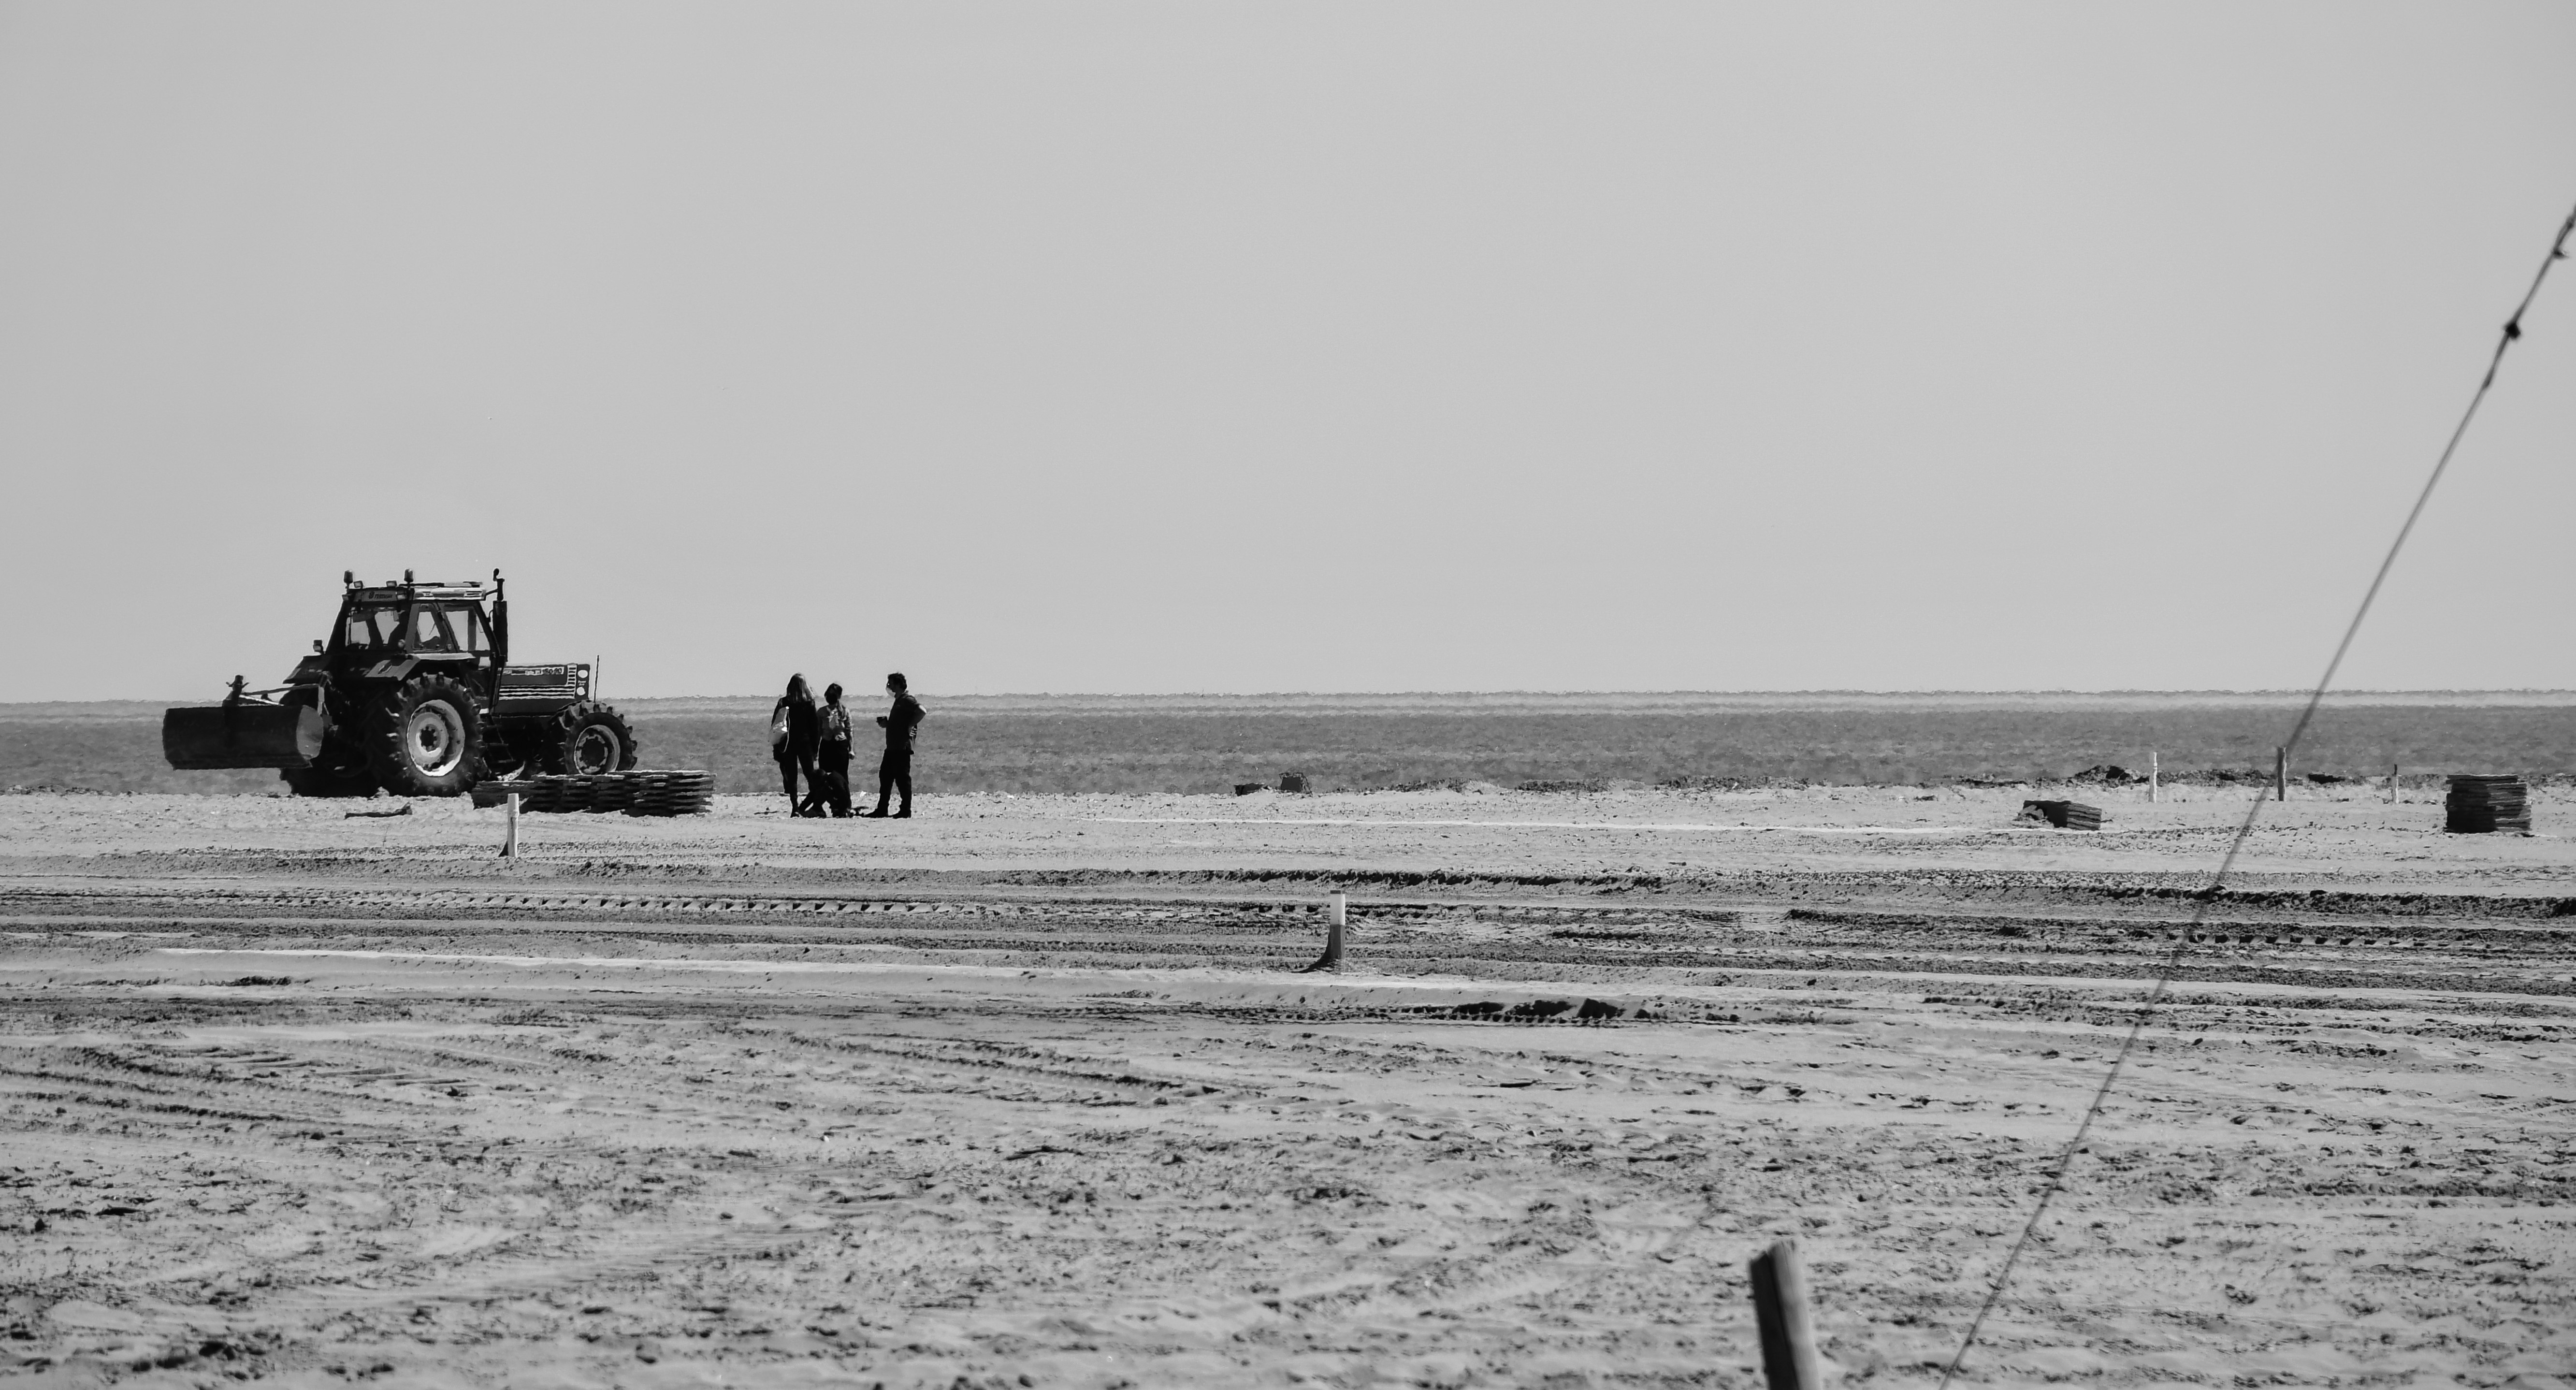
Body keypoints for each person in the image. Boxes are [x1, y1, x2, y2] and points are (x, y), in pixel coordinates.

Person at [863, 672, 924, 818]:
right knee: (886, 777)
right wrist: (888, 725)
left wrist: (911, 725)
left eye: (891, 684)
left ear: (898, 685)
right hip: (892, 748)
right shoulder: (899, 701)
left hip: (901, 748)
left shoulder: (907, 700)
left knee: (902, 780)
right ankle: (882, 809)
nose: (888, 687)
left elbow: (922, 711)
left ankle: (905, 810)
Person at [770, 674, 821, 816]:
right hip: (805, 743)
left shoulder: (783, 702)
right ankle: (814, 804)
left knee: (792, 776)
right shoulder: (809, 703)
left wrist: (776, 747)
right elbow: (815, 728)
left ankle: (795, 807)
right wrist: (815, 748)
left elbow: (776, 725)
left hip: (788, 743)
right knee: (810, 775)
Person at [815, 682, 855, 818]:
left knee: (842, 777)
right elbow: (818, 732)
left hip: (840, 746)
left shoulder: (844, 711)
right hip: (826, 745)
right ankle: (832, 805)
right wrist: (815, 750)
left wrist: (851, 749)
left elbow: (849, 731)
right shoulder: (821, 712)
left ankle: (845, 806)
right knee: (825, 776)